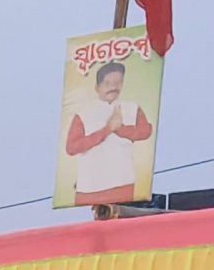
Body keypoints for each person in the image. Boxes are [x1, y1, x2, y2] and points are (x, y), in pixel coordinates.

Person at [64, 60, 155, 207]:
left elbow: (146, 131)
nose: (113, 87)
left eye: (118, 82)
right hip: (90, 186)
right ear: (97, 87)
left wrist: (121, 129)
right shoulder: (84, 113)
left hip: (123, 182)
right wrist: (107, 130)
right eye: (107, 83)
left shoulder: (131, 107)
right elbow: (72, 147)